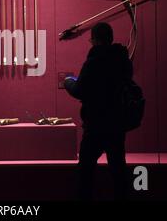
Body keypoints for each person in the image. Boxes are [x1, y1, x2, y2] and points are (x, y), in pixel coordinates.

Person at [64, 22, 133, 200]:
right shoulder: (122, 59)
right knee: (118, 169)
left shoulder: (94, 61)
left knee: (86, 170)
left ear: (95, 40)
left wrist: (68, 82)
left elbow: (80, 89)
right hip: (116, 122)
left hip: (96, 123)